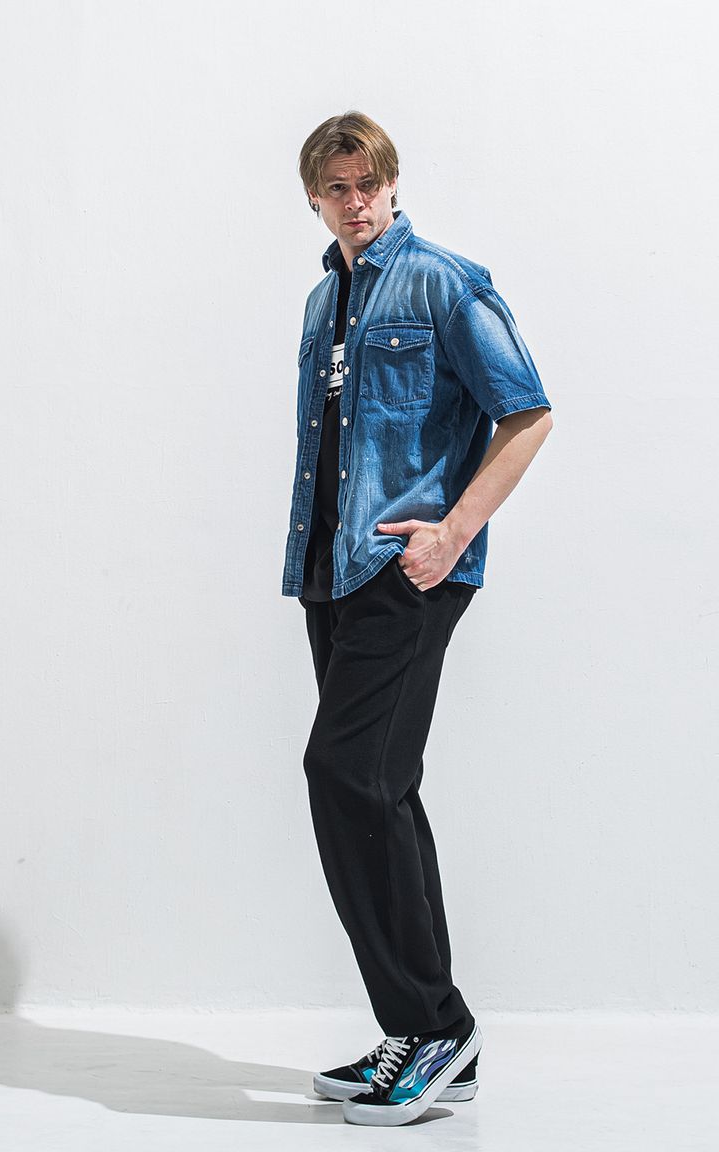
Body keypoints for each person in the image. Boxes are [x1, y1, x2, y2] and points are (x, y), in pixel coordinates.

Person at [281, 111, 553, 1127]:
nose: (355, 202)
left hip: (408, 572)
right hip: (332, 574)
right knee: (380, 790)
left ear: (392, 184)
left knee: (344, 774)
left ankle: (431, 1027)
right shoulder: (324, 301)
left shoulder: (445, 283)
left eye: (369, 184)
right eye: (336, 188)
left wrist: (453, 533)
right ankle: (433, 1035)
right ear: (314, 198)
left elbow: (528, 411)